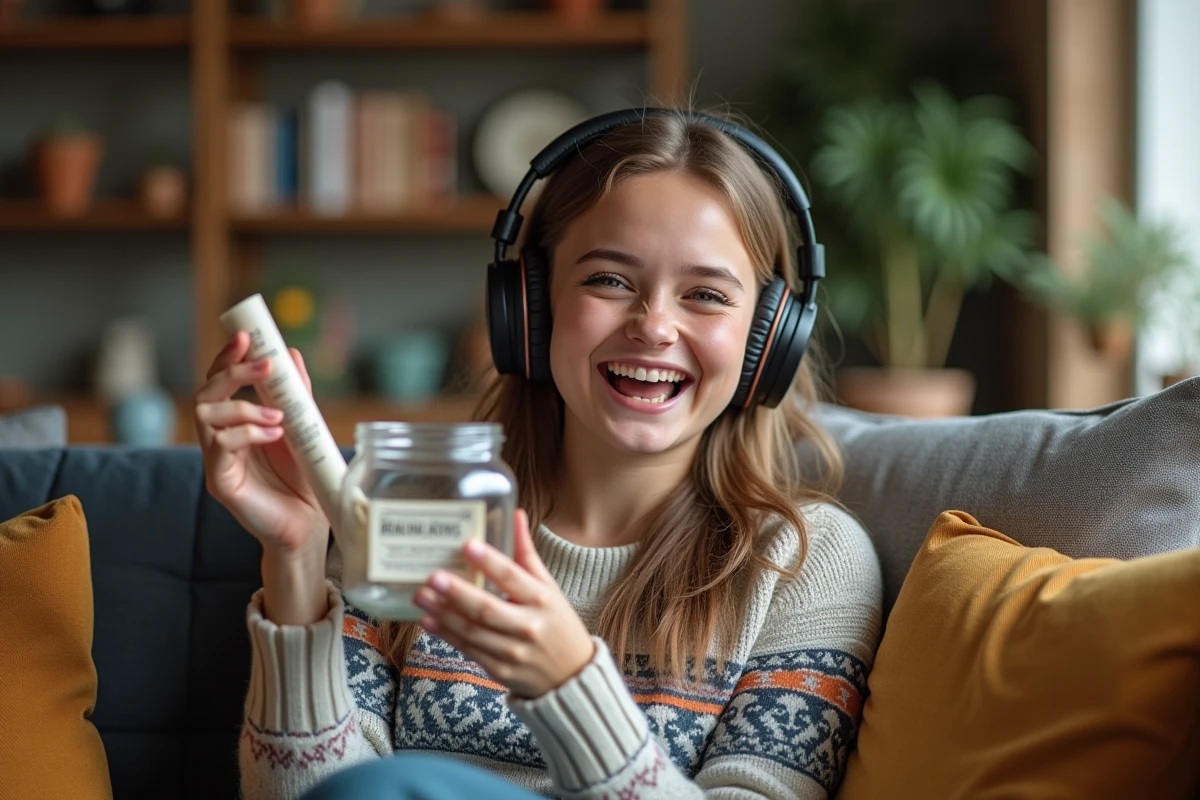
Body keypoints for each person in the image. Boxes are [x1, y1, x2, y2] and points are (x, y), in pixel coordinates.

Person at [194, 106, 883, 800]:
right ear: (531, 307)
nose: (654, 325)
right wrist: (298, 558)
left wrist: (566, 681)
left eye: (706, 295)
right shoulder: (407, 520)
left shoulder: (805, 563)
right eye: (609, 280)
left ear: (767, 340)